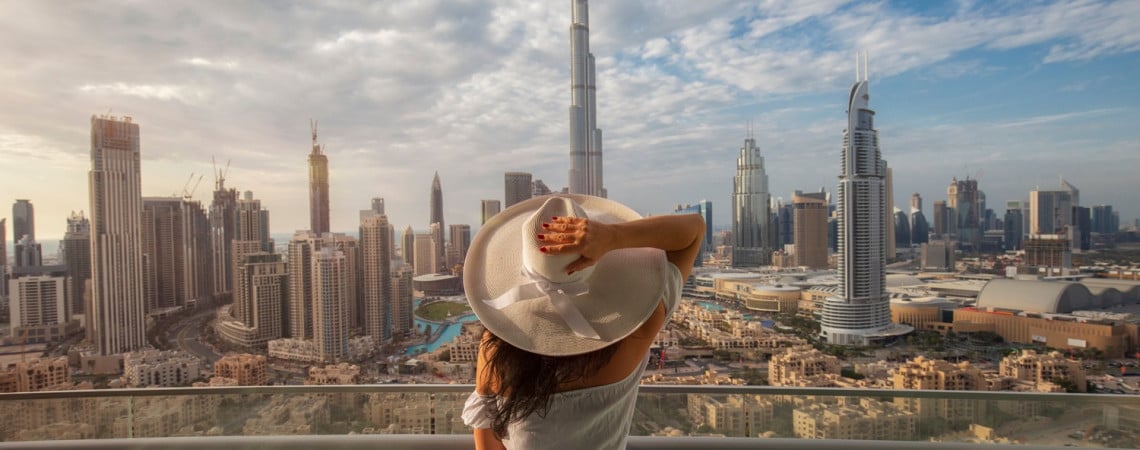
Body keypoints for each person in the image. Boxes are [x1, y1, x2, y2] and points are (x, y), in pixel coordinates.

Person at [461, 195, 704, 449]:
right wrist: (613, 237)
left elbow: (487, 444)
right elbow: (694, 230)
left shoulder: (495, 351)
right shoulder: (637, 330)